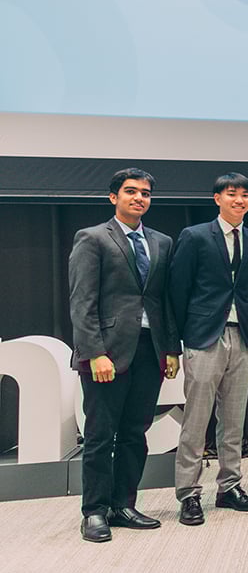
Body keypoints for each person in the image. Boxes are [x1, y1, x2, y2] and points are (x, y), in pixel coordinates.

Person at [68, 168, 180, 542]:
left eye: (145, 193)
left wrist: (171, 348)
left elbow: (165, 300)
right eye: (131, 191)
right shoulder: (93, 238)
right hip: (107, 353)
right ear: (113, 197)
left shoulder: (162, 242)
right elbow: (81, 302)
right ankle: (94, 512)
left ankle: (123, 505)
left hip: (150, 350)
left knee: (135, 432)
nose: (139, 198)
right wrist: (94, 352)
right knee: (100, 435)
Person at [169, 172, 248, 525]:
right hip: (204, 336)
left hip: (242, 336)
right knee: (196, 420)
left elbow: (247, 288)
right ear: (217, 199)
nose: (239, 200)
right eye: (232, 194)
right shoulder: (195, 236)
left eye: (245, 195)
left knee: (234, 419)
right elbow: (177, 290)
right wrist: (180, 339)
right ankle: (189, 494)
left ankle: (230, 487)